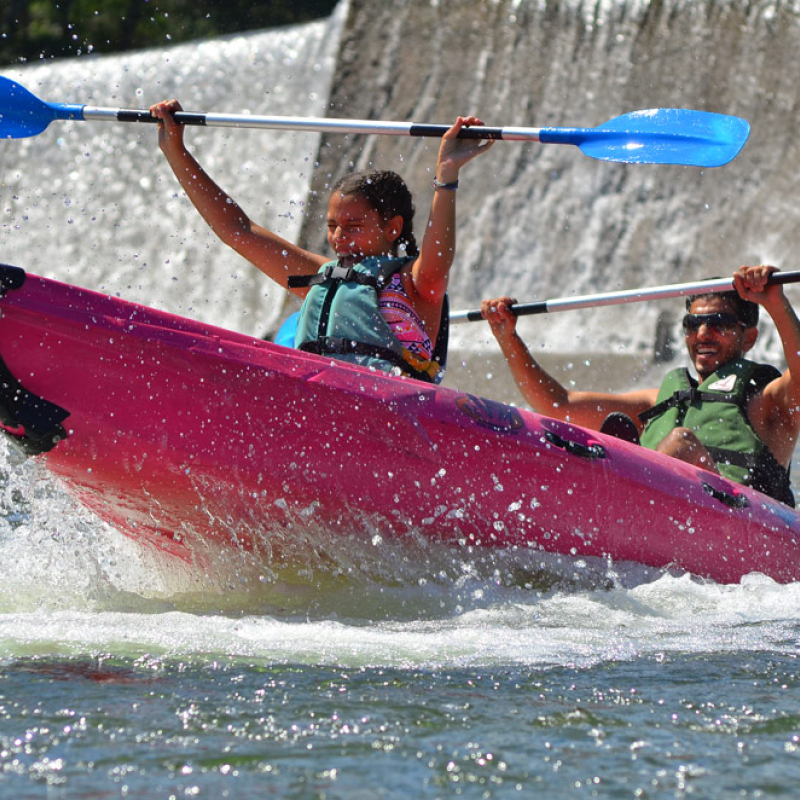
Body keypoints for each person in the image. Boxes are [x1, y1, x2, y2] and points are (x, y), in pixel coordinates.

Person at [150, 99, 493, 382]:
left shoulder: (418, 284)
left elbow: (440, 251)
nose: (339, 237)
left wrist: (446, 175)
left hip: (384, 407)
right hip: (313, 399)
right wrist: (175, 151)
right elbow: (237, 231)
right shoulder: (323, 275)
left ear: (393, 228)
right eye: (332, 226)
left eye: (353, 225)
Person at [481, 265, 800, 506]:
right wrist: (508, 338)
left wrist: (775, 302)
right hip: (662, 514)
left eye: (719, 324)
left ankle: (611, 500)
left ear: (750, 337)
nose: (703, 334)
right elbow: (558, 405)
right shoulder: (660, 401)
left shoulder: (767, 400)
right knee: (588, 444)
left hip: (745, 526)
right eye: (693, 324)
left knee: (681, 444)